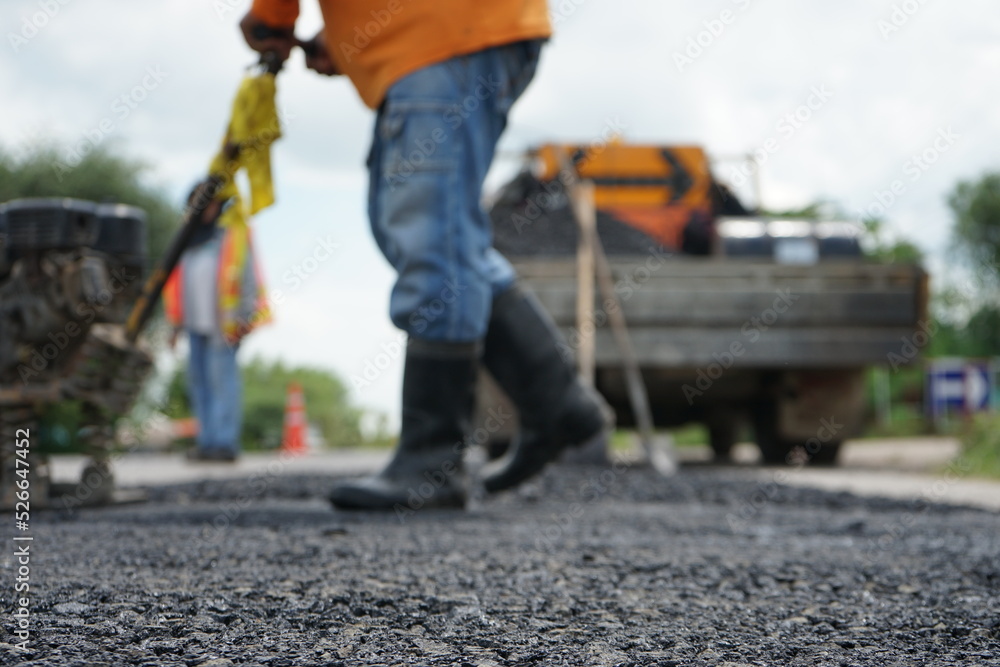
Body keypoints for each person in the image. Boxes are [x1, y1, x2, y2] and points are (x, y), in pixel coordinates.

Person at [240, 0, 609, 510]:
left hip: (444, 36)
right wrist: (351, 35)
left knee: (434, 238)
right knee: (424, 232)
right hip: (433, 37)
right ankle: (558, 405)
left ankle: (433, 460)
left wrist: (273, 18)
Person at [165, 184, 270, 462]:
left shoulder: (232, 234)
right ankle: (207, 443)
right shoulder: (186, 241)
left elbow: (248, 275)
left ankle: (224, 443)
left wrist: (246, 316)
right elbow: (176, 287)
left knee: (222, 382)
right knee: (199, 384)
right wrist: (174, 328)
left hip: (225, 325)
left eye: (207, 202)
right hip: (194, 326)